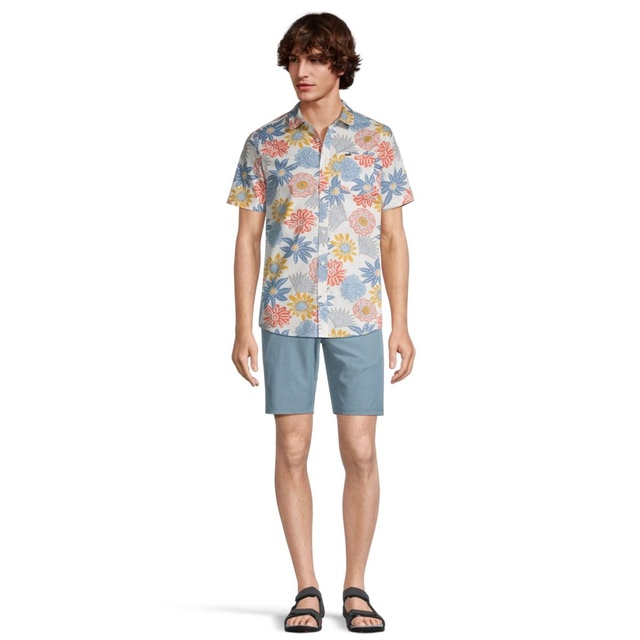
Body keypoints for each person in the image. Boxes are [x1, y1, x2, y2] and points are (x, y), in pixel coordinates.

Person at [228, 12, 415, 633]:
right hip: (285, 315)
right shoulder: (264, 143)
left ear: (340, 64)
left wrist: (401, 324)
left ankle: (355, 586)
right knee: (292, 448)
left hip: (357, 316)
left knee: (360, 450)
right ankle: (305, 588)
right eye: (293, 59)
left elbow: (393, 237)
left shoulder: (378, 140)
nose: (301, 71)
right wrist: (242, 326)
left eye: (314, 59)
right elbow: (247, 239)